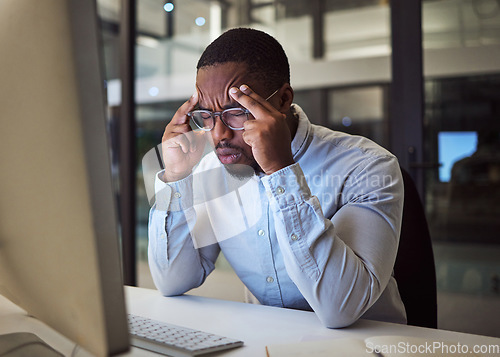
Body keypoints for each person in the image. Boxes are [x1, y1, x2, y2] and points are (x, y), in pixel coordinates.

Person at [147, 28, 406, 328]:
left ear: (283, 100)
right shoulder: (210, 174)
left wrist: (281, 171)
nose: (218, 134)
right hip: (266, 343)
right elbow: (172, 281)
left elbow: (341, 308)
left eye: (235, 112)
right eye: (206, 115)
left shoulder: (366, 167)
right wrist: (177, 178)